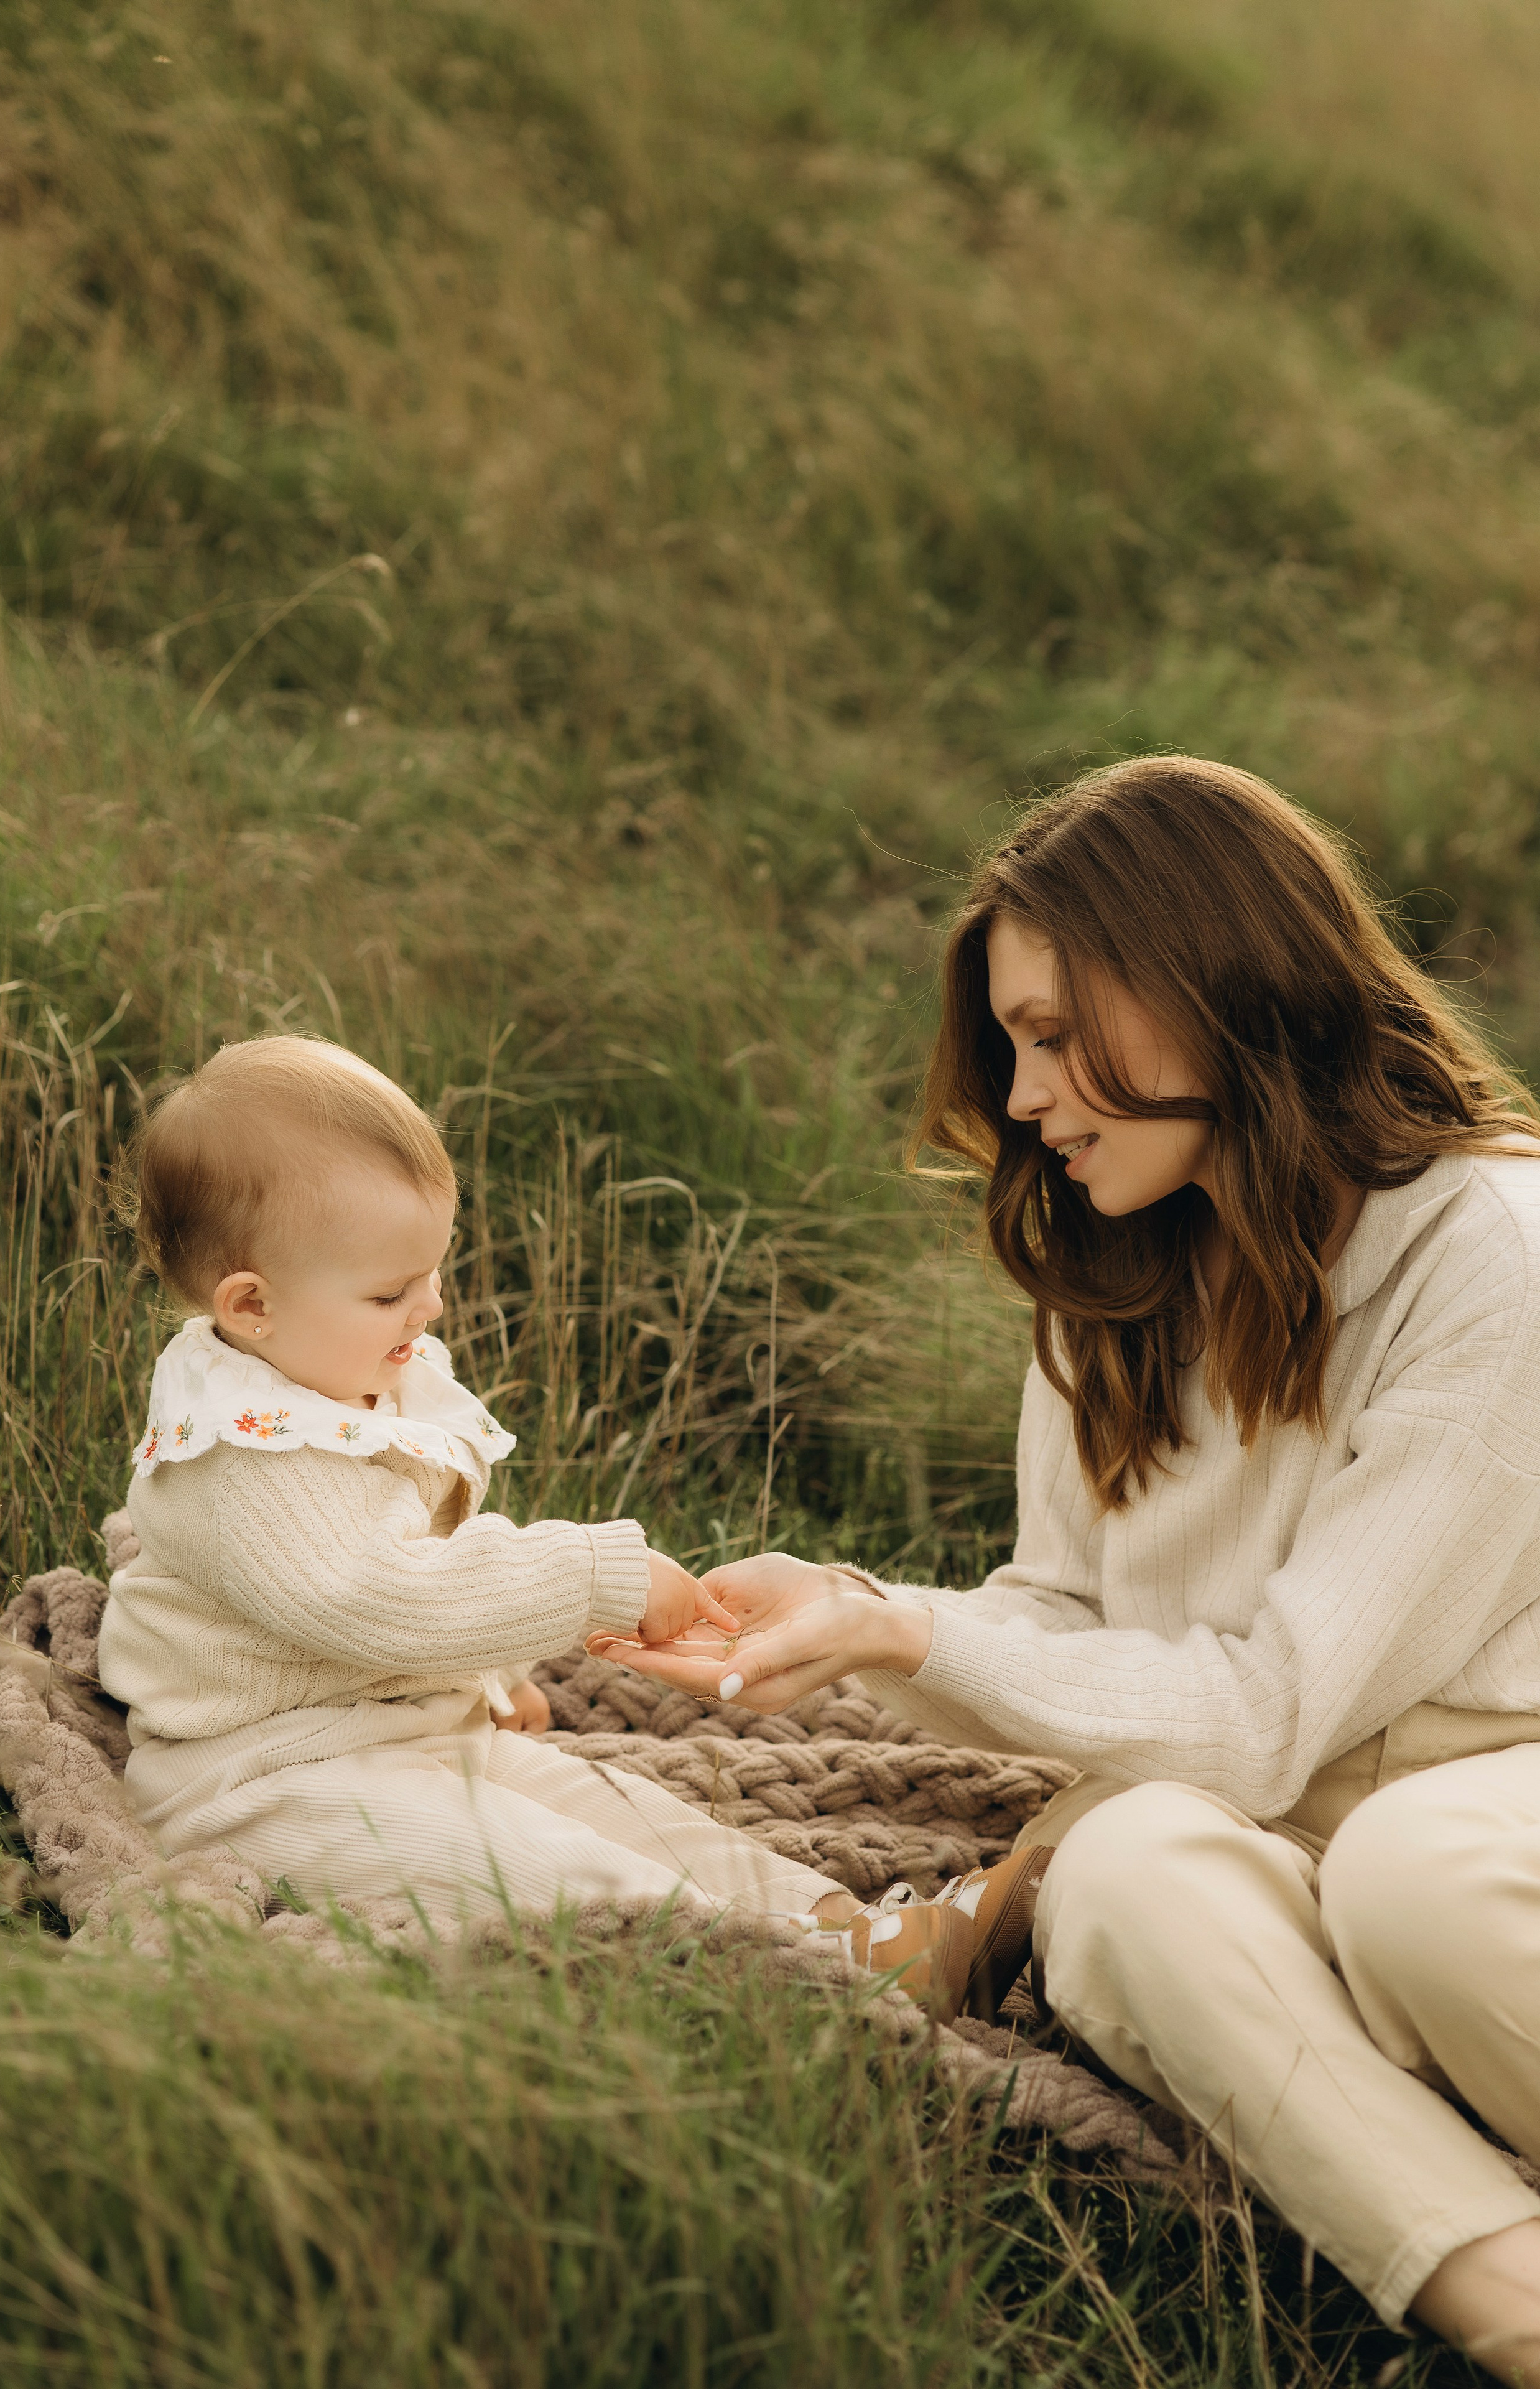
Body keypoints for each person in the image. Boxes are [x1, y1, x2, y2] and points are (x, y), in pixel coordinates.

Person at [598, 758, 1540, 2378]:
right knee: (1116, 1879)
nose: (1024, 1099)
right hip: (1281, 1812)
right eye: (1011, 1047)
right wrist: (844, 1619)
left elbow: (1271, 1711)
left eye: (1051, 1036)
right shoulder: (1114, 1271)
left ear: (1207, 987)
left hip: (1490, 1797)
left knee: (1413, 1879)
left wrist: (902, 1635)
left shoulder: (1494, 1250)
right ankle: (1509, 2306)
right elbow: (1059, 1617)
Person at [98, 1034, 1027, 2013]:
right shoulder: (240, 1459)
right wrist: (591, 1574)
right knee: (530, 1865)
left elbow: (421, 1565)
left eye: (432, 1272)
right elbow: (373, 1598)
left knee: (619, 1811)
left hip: (396, 1732)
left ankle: (845, 1924)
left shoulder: (333, 1366)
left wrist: (486, 1670)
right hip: (262, 1786)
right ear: (252, 1305)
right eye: (390, 1292)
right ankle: (803, 1973)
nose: (430, 1305)